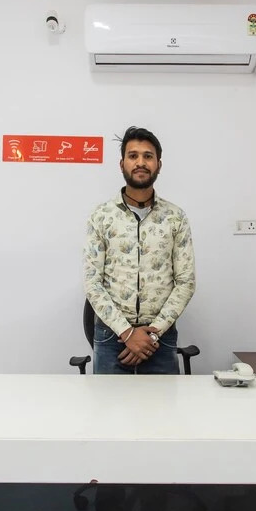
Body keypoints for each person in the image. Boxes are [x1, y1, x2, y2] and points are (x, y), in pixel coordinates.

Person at [82, 126, 196, 374]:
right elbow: (92, 282)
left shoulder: (175, 217)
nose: (140, 162)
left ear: (159, 165)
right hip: (111, 336)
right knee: (108, 400)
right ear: (122, 164)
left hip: (160, 338)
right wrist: (127, 333)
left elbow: (185, 281)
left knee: (162, 400)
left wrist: (152, 335)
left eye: (148, 156)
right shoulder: (101, 216)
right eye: (133, 156)